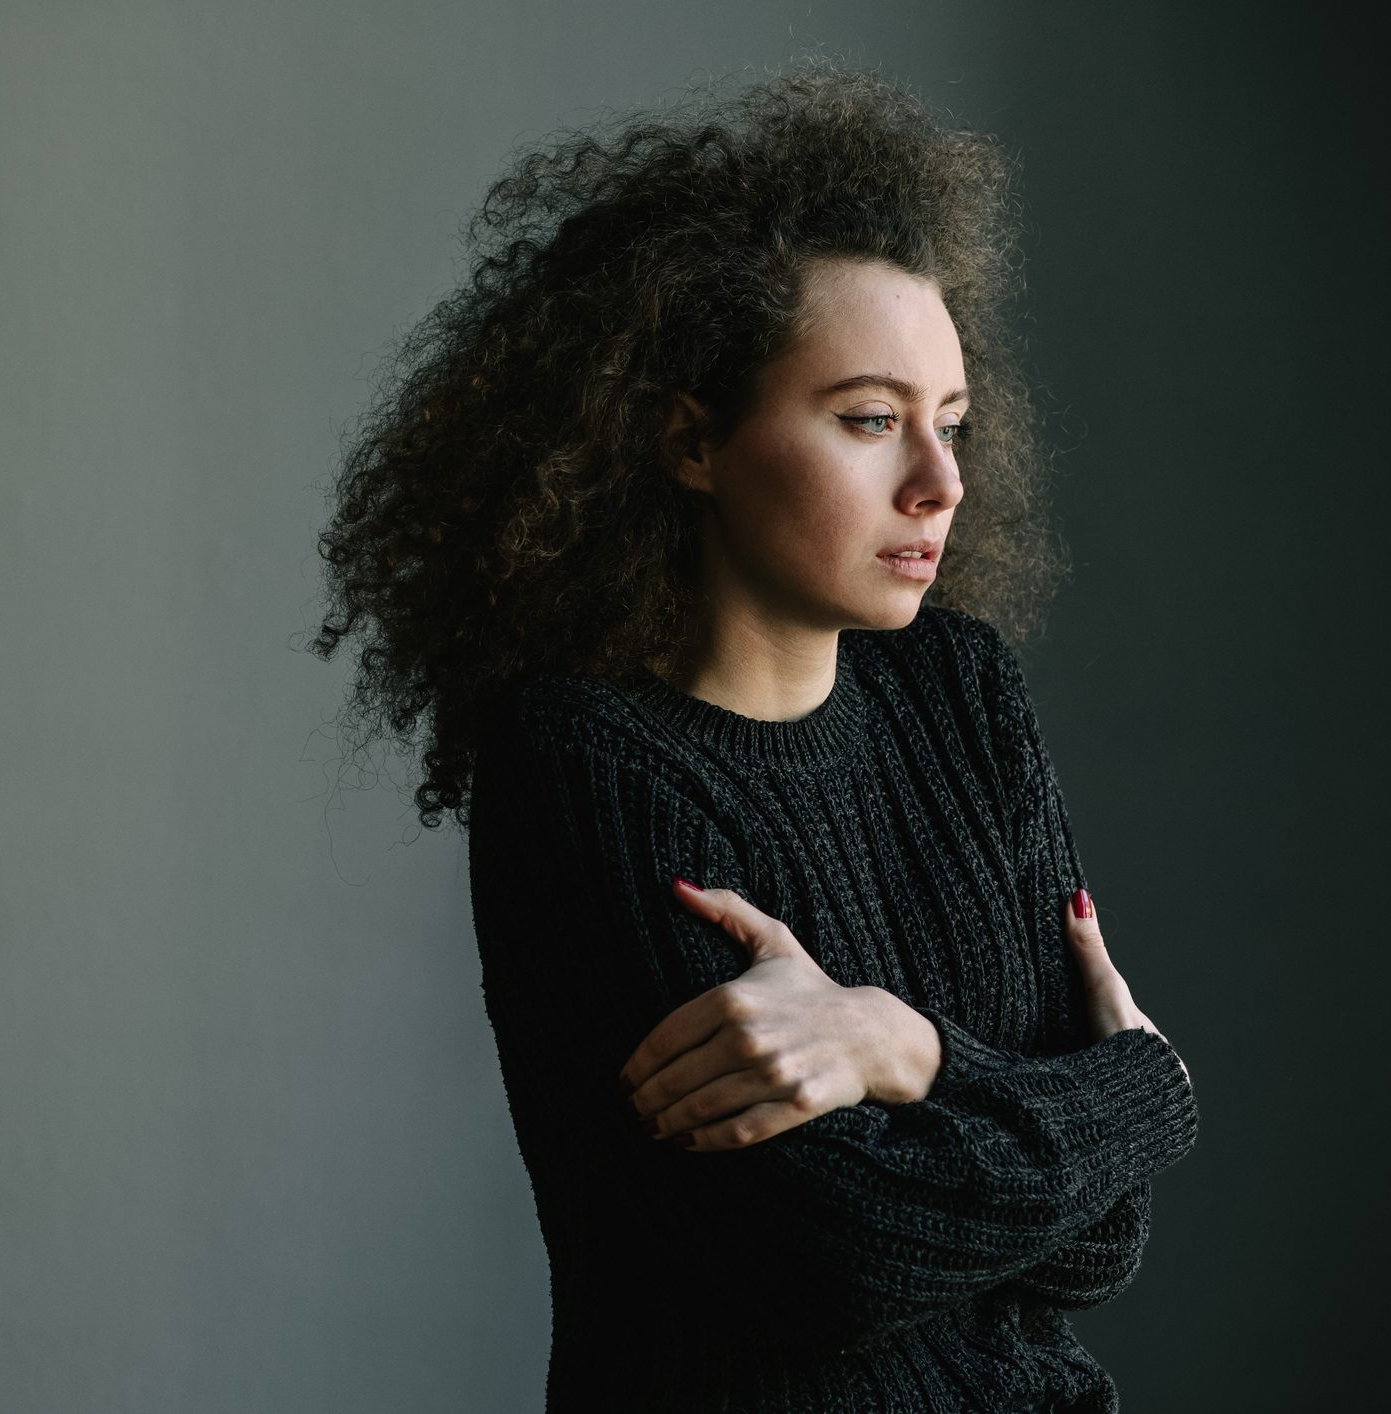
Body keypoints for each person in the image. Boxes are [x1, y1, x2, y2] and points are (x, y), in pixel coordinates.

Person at [309, 57, 1199, 1412]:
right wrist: (1136, 1084)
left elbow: (1102, 1239)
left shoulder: (959, 689)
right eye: (866, 421)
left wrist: (910, 1051)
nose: (939, 483)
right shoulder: (591, 761)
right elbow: (829, 1260)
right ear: (688, 441)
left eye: (950, 424)